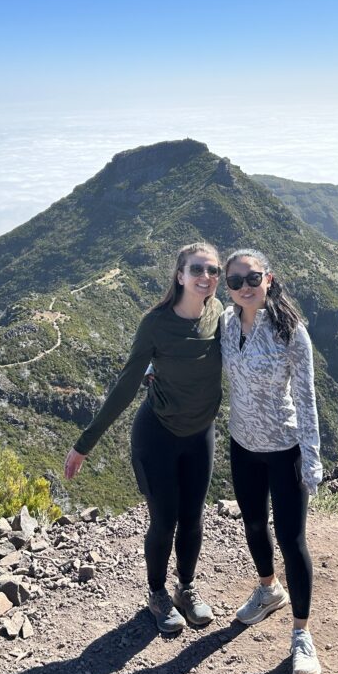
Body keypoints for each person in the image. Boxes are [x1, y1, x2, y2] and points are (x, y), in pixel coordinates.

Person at [64, 243, 223, 634]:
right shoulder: (155, 323)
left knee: (193, 517)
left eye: (213, 270)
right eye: (197, 269)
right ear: (180, 275)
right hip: (158, 436)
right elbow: (126, 384)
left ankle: (185, 588)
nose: (206, 277)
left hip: (201, 433)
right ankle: (157, 594)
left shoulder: (219, 315)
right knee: (164, 519)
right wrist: (85, 443)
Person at [221, 247, 323, 674]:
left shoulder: (291, 331)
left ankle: (301, 635)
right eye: (235, 281)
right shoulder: (225, 324)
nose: (245, 287)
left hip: (285, 447)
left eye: (252, 278)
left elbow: (306, 398)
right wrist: (153, 364)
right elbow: (187, 347)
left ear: (269, 279)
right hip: (242, 443)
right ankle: (268, 590)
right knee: (251, 525)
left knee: (292, 538)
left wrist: (312, 459)